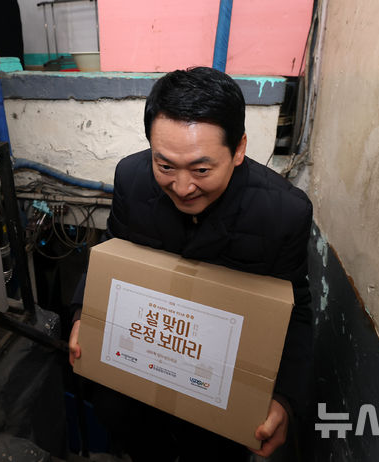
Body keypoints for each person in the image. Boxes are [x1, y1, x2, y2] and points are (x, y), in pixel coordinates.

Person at [68, 67, 313, 461]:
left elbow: (295, 309)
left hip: (218, 389)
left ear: (238, 149)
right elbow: (112, 253)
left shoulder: (283, 212)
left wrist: (284, 398)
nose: (182, 188)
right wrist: (84, 316)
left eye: (201, 170)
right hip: (140, 370)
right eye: (165, 166)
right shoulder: (131, 178)